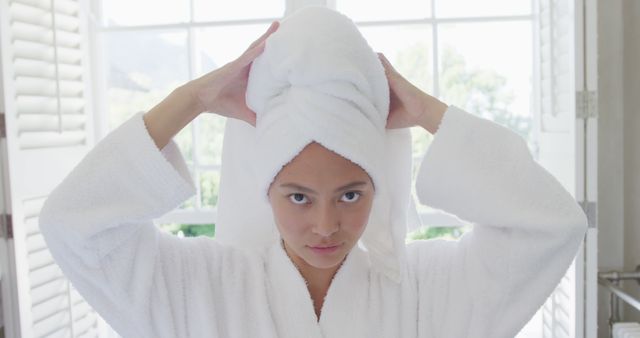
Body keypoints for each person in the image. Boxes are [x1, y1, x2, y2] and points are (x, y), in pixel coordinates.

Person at [39, 15, 588, 338]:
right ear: (266, 189)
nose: (326, 225)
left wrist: (426, 112)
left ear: (379, 185)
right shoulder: (204, 289)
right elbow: (74, 225)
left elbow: (551, 226)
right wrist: (191, 99)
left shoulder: (425, 292)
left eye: (351, 193)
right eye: (298, 196)